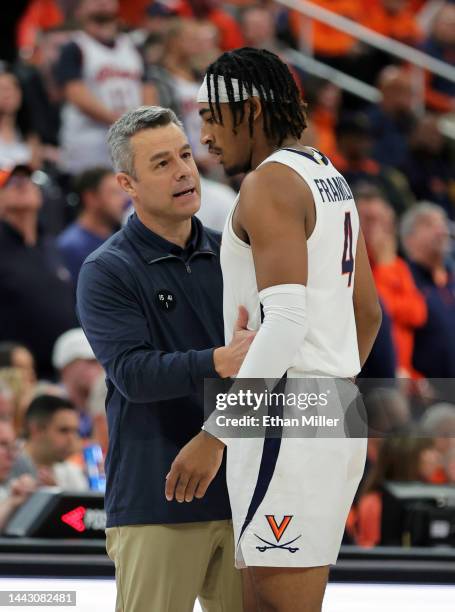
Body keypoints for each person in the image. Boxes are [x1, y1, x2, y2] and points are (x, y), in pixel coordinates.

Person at [166, 48, 382, 612]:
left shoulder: (269, 185)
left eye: (212, 116)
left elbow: (286, 324)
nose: (204, 135)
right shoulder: (329, 176)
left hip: (285, 412)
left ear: (254, 109)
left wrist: (216, 435)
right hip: (334, 408)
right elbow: (368, 314)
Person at [77, 106, 255, 612]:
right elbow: (133, 373)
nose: (183, 170)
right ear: (126, 183)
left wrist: (218, 435)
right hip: (157, 496)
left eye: (185, 155)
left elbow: (265, 368)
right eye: (161, 163)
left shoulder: (234, 255)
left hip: (243, 493)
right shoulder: (108, 269)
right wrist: (217, 361)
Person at [54, 0, 156, 175]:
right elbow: (75, 93)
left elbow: (148, 87)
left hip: (130, 137)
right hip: (89, 140)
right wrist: (121, 121)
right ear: (79, 9)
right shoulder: (74, 46)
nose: (102, 3)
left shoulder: (133, 46)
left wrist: (144, 120)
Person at [0, 163, 77, 379]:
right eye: (12, 182)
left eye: (28, 179)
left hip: (65, 369)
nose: (22, 184)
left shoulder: (51, 245)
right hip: (18, 375)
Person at [400, 202, 455, 379]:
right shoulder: (403, 279)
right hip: (427, 393)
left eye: (442, 223)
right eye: (429, 224)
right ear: (409, 239)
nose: (441, 230)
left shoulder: (451, 276)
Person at [57, 167, 127, 281]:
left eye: (121, 193)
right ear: (91, 198)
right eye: (114, 193)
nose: (123, 200)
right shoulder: (71, 247)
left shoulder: (119, 238)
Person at [11, 394, 88, 491]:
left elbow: (83, 506)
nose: (72, 439)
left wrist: (57, 494)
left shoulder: (71, 472)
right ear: (37, 430)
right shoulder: (7, 464)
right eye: (64, 430)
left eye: (75, 431)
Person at [52, 328, 104, 438]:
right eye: (91, 362)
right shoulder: (51, 405)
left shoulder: (106, 402)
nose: (101, 368)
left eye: (102, 361)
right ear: (66, 367)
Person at [0, 419, 37, 532]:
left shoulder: (9, 488)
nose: (11, 456)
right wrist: (11, 502)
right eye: (2, 444)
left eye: (13, 447)